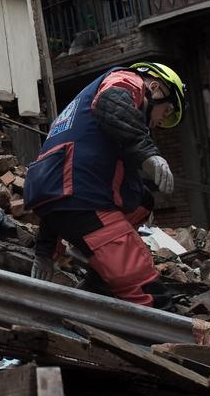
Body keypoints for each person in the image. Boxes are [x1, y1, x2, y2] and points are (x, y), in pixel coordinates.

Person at [23, 62, 186, 308]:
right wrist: (148, 153)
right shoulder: (126, 80)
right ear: (155, 87)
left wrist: (45, 251)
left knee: (142, 199)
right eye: (166, 112)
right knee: (148, 292)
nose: (161, 121)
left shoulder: (78, 113)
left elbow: (60, 194)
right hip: (85, 203)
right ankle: (161, 332)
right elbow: (112, 102)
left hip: (61, 196)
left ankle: (100, 276)